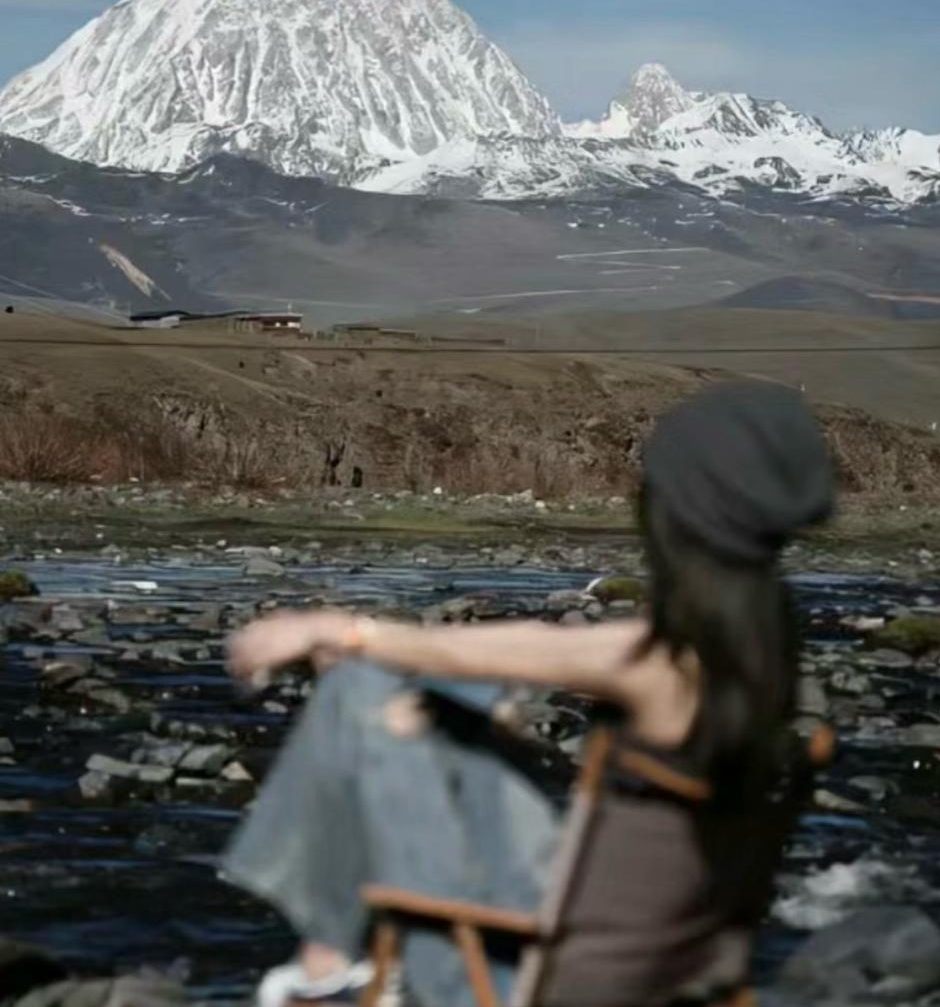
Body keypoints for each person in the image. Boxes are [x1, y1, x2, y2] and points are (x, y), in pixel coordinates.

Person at [223, 381, 835, 1007]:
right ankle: (326, 955)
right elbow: (541, 653)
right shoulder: (765, 652)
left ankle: (326, 961)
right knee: (427, 702)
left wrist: (343, 629)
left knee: (358, 690)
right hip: (667, 965)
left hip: (545, 978)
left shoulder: (662, 666)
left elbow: (536, 647)